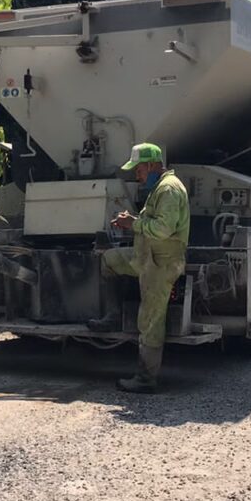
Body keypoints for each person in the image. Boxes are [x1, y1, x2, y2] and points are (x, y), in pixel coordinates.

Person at [88, 143, 189, 394]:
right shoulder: (160, 187)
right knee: (109, 260)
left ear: (153, 165)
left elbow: (163, 228)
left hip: (161, 264)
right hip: (146, 258)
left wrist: (133, 223)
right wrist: (134, 223)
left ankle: (146, 379)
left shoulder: (168, 189)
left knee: (150, 320)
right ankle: (112, 317)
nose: (137, 174)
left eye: (139, 169)